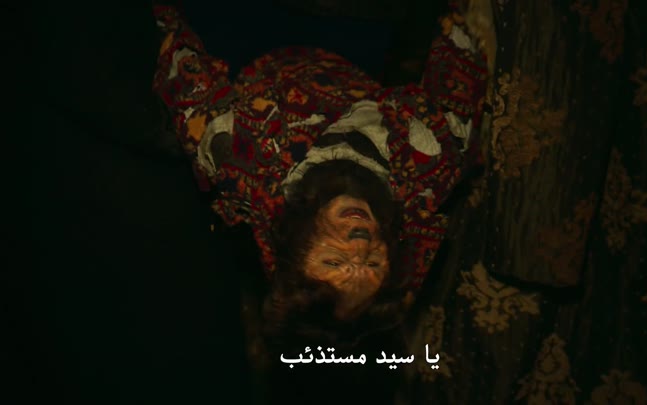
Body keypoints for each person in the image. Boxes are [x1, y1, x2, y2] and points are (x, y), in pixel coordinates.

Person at [152, 1, 489, 347]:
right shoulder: (428, 168)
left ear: (295, 250)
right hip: (354, 35)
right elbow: (463, 54)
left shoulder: (241, 161)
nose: (360, 241)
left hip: (244, 30)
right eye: (373, 262)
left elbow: (180, 60)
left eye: (334, 260)